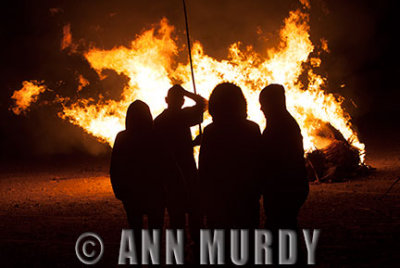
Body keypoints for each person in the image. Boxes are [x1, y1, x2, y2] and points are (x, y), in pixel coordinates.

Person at [110, 100, 182, 239]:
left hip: (132, 193)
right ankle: (151, 259)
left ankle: (138, 257)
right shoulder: (156, 136)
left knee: (135, 230)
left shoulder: (122, 137)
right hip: (154, 193)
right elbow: (170, 165)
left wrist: (119, 190)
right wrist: (176, 187)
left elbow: (115, 167)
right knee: (154, 231)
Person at [258, 84, 309, 265]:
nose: (261, 108)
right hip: (290, 186)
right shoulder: (280, 122)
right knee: (285, 226)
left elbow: (274, 158)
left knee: (281, 226)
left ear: (273, 103)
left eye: (263, 103)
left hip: (285, 187)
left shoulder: (281, 126)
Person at [199, 82, 261, 229]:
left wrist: (203, 198)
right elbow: (260, 163)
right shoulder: (252, 129)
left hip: (218, 198)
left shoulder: (210, 132)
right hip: (246, 196)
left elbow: (204, 169)